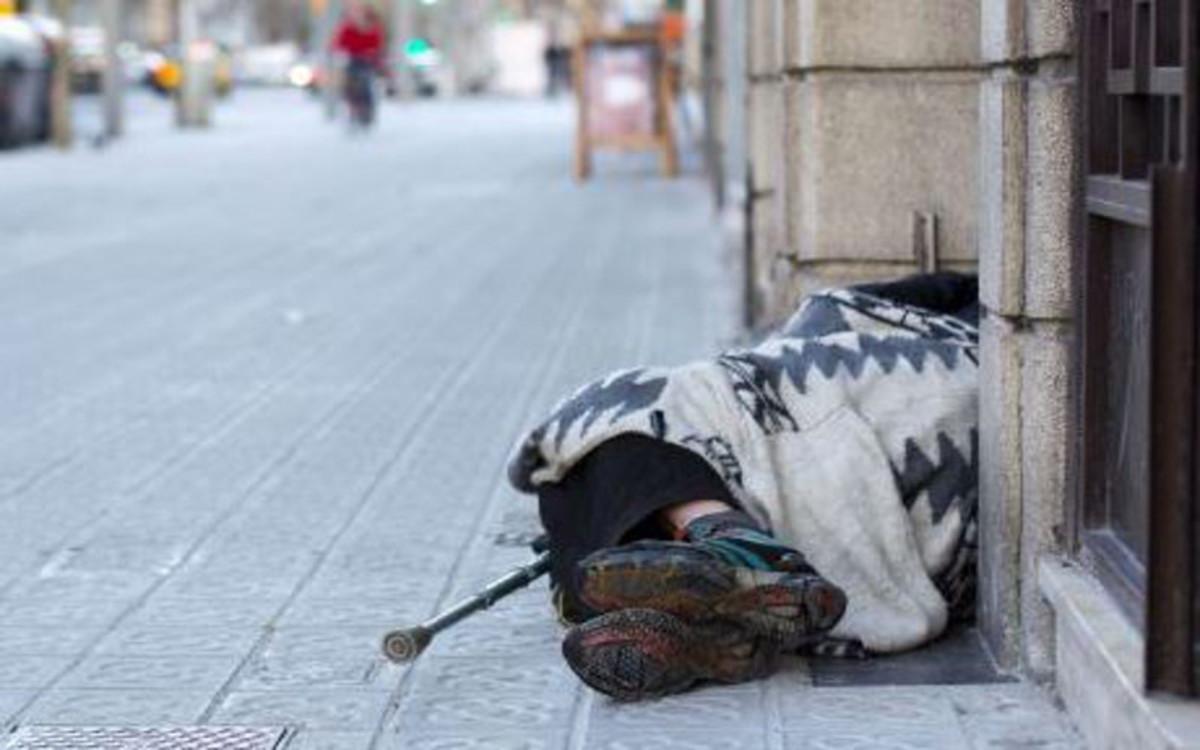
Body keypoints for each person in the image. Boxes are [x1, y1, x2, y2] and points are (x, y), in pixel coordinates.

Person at [507, 273, 980, 701]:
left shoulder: (982, 310)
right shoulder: (987, 302)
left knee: (613, 420)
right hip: (838, 430)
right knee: (594, 462)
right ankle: (720, 601)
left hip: (890, 401)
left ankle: (724, 557)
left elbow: (846, 309)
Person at [332, 1, 387, 128]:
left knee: (365, 85)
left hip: (368, 60)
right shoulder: (348, 27)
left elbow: (377, 44)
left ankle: (366, 113)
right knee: (351, 87)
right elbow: (339, 44)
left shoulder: (373, 27)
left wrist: (373, 54)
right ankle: (354, 110)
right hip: (352, 60)